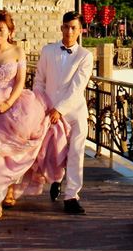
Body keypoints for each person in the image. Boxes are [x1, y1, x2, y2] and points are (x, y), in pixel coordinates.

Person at [0, 10, 68, 219]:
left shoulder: (17, 51)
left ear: (10, 30)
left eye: (1, 29)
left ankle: (10, 189)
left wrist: (8, 103)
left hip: (13, 105)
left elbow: (21, 81)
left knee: (13, 153)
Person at [33, 11, 94, 215]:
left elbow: (78, 87)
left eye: (74, 28)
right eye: (66, 26)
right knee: (52, 152)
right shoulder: (48, 51)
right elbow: (39, 80)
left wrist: (61, 109)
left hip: (74, 112)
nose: (69, 31)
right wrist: (40, 104)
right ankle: (56, 180)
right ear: (61, 27)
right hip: (49, 111)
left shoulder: (85, 55)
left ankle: (72, 196)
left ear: (80, 31)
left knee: (76, 153)